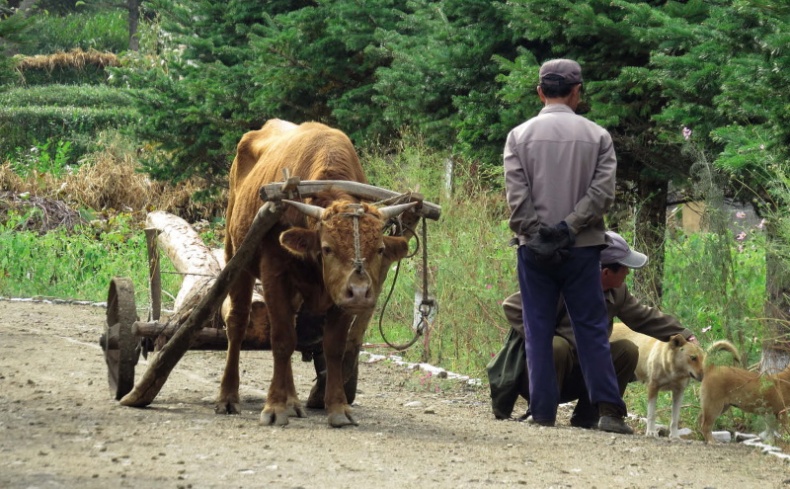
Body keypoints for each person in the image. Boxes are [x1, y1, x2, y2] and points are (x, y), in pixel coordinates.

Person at [503, 58, 627, 432]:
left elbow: (516, 196)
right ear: (576, 93)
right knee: (591, 327)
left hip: (533, 249)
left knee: (537, 326)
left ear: (541, 92)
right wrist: (569, 229)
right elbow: (602, 194)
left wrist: (541, 234)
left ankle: (542, 413)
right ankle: (608, 411)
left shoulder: (518, 136)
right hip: (584, 247)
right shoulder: (599, 137)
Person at [487, 231, 699, 429]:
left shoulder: (617, 292)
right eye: (624, 267)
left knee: (627, 350)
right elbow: (511, 306)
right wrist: (540, 337)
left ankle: (597, 415)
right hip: (541, 373)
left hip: (583, 372)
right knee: (556, 346)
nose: (627, 272)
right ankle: (542, 410)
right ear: (606, 272)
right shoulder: (561, 283)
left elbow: (644, 317)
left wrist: (685, 333)